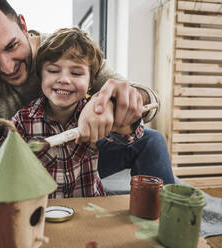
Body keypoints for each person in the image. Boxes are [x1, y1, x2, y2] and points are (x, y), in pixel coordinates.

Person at [0, 0, 174, 247]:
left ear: (23, 25)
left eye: (11, 46)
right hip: (10, 159)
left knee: (151, 141)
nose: (7, 66)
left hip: (77, 153)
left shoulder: (65, 50)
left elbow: (145, 99)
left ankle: (176, 219)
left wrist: (115, 101)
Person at [9, 27, 145, 198]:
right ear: (41, 77)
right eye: (53, 71)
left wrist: (118, 118)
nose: (64, 79)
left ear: (90, 83)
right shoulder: (22, 120)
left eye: (76, 73)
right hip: (45, 210)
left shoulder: (97, 112)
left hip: (90, 207)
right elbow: (7, 169)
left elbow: (131, 136)